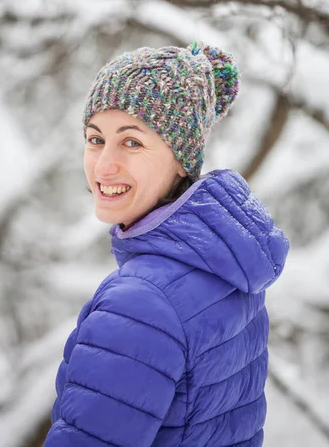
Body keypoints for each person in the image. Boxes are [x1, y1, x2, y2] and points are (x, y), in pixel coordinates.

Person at [45, 41, 289, 447]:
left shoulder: (140, 301)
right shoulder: (226, 270)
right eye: (94, 139)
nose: (104, 165)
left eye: (132, 142)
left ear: (182, 158)